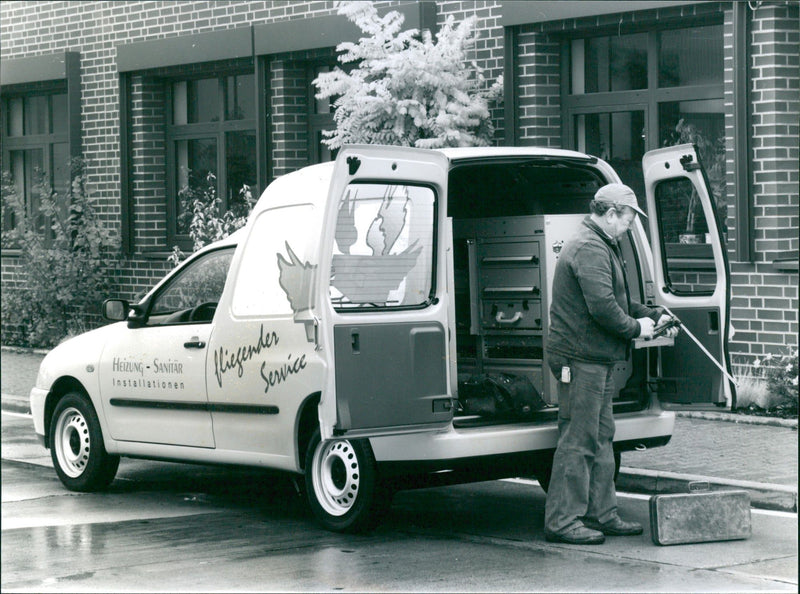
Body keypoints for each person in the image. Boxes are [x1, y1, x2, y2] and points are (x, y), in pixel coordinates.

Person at [543, 183, 679, 545]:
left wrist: (652, 315)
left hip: (595, 357)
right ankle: (562, 521)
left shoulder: (605, 244)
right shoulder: (589, 247)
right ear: (611, 213)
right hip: (580, 358)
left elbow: (619, 300)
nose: (631, 226)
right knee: (578, 439)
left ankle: (601, 514)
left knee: (602, 438)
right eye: (630, 219)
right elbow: (602, 308)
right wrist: (639, 329)